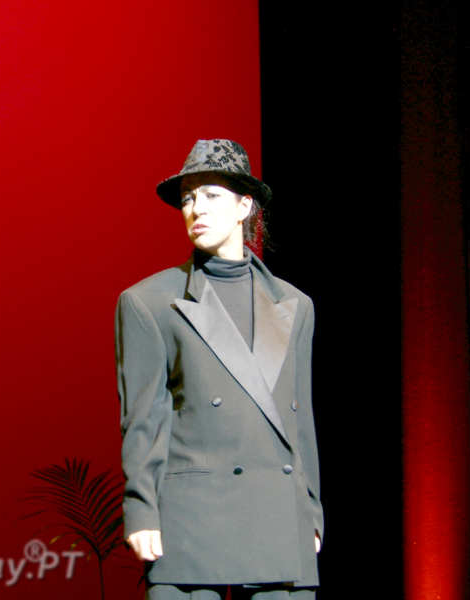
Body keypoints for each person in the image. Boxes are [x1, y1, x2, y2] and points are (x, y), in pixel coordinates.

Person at [115, 139, 323, 599]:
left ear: (244, 206)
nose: (197, 209)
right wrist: (142, 510)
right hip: (191, 522)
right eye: (188, 198)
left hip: (278, 517)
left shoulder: (295, 305)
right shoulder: (150, 302)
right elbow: (144, 420)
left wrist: (311, 511)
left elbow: (299, 420)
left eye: (211, 195)